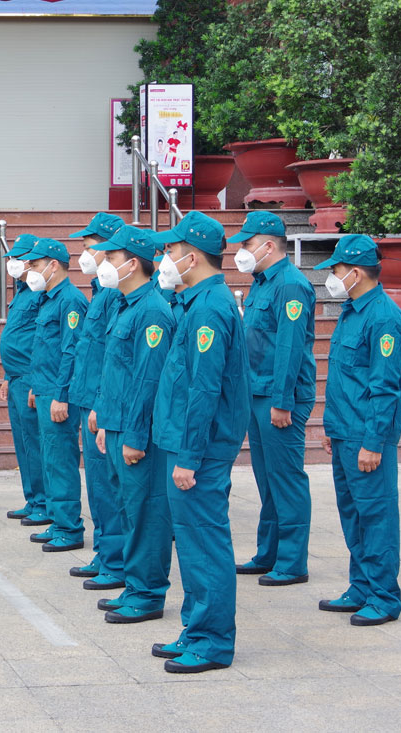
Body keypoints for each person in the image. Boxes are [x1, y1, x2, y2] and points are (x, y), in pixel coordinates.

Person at [149, 211, 250, 674]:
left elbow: (205, 388)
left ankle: (211, 642)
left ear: (191, 257)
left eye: (170, 251)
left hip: (201, 448)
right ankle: (196, 628)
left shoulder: (210, 307)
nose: (165, 258)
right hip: (190, 441)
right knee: (191, 543)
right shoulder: (197, 301)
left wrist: (188, 456)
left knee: (204, 542)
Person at [313, 235, 401, 627]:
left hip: (368, 438)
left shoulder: (384, 318)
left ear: (355, 273)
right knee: (353, 515)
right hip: (345, 432)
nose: (331, 277)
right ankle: (362, 587)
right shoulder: (352, 311)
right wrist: (332, 429)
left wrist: (373, 442)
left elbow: (385, 388)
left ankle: (385, 597)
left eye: (335, 270)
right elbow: (345, 380)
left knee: (376, 516)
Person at [90, 224, 177, 622]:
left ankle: (148, 593)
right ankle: (135, 584)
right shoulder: (125, 305)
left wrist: (136, 435)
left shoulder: (153, 311)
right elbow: (116, 371)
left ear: (135, 264)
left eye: (112, 258)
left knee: (146, 512)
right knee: (129, 509)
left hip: (137, 428)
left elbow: (148, 380)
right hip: (118, 422)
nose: (104, 264)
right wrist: (105, 418)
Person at [228, 211, 316, 586]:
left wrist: (282, 400)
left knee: (286, 478)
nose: (242, 251)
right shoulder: (261, 282)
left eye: (248, 245)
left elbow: (289, 349)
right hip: (256, 390)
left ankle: (292, 562)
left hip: (279, 397)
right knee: (268, 479)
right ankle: (269, 553)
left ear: (268, 245)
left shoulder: (291, 286)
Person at [18, 237, 89, 552]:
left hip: (60, 394)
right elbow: (43, 350)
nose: (30, 270)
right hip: (45, 389)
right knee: (50, 458)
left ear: (53, 265)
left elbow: (71, 352)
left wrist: (61, 394)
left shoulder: (70, 300)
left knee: (61, 460)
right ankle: (59, 521)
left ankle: (70, 528)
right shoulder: (48, 298)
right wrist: (37, 386)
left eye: (34, 264)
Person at [66, 213, 125, 585]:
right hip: (90, 398)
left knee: (109, 488)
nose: (85, 255)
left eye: (90, 248)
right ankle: (105, 553)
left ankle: (115, 561)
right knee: (98, 488)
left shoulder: (118, 295)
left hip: (103, 403)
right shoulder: (100, 291)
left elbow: (113, 357)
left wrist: (101, 403)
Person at [0, 233, 49, 526]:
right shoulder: (22, 291)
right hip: (17, 377)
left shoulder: (41, 293)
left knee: (34, 441)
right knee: (23, 443)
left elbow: (41, 342)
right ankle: (32, 498)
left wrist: (35, 380)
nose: (14, 264)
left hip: (31, 377)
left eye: (20, 259)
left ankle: (44, 502)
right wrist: (7, 376)